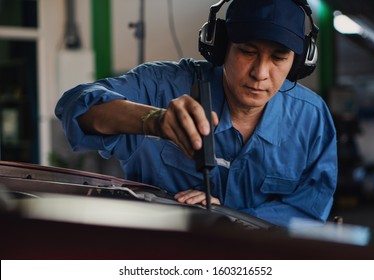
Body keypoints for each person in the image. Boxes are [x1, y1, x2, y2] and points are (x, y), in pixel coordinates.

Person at [55, 0, 337, 227]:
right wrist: (155, 121)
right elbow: (76, 107)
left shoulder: (311, 119)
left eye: (278, 58)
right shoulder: (162, 87)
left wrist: (226, 217)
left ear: (300, 62)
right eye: (248, 52)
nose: (260, 73)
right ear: (220, 46)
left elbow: (308, 211)